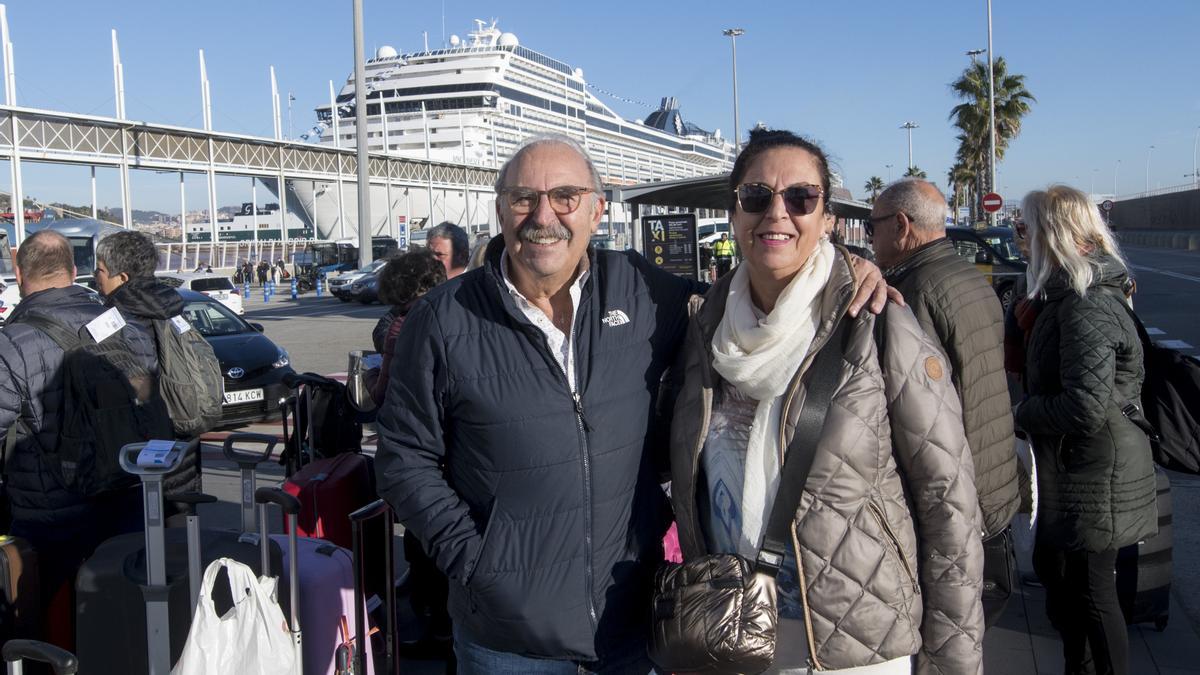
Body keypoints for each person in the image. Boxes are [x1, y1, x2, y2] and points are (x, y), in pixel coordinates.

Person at [374, 133, 894, 673]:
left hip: (629, 625)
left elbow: (752, 295)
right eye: (524, 197)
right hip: (506, 638)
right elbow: (403, 458)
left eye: (566, 197)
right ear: (501, 209)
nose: (543, 215)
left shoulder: (638, 289)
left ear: (597, 212)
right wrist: (477, 561)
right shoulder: (443, 318)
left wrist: (841, 272)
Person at [669, 129, 985, 674]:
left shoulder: (877, 324)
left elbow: (947, 504)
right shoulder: (704, 326)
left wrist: (954, 661)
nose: (777, 213)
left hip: (854, 645)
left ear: (828, 218)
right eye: (756, 196)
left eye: (801, 198)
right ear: (734, 211)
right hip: (732, 629)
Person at [1014, 185, 1157, 675]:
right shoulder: (1070, 296)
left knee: (1092, 595)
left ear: (1051, 236)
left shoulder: (1085, 305)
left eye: (1023, 230)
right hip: (1085, 470)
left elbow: (1085, 406)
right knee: (1069, 589)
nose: (1018, 241)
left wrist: (1021, 412)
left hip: (1097, 473)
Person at [870, 179, 1020, 623]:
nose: (870, 236)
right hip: (992, 479)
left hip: (953, 499)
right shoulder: (969, 278)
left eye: (872, 225)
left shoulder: (911, 294)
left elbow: (915, 415)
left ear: (901, 226)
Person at [0, 231, 144, 649]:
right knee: (121, 625)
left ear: (20, 275)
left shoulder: (11, 342)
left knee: (55, 632)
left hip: (50, 518)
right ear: (74, 271)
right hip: (127, 499)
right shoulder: (120, 323)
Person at [94, 230, 202, 498]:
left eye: (100, 271)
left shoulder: (112, 320)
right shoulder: (174, 308)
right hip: (184, 444)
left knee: (143, 534)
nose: (96, 277)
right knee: (181, 530)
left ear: (122, 278)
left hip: (141, 454)